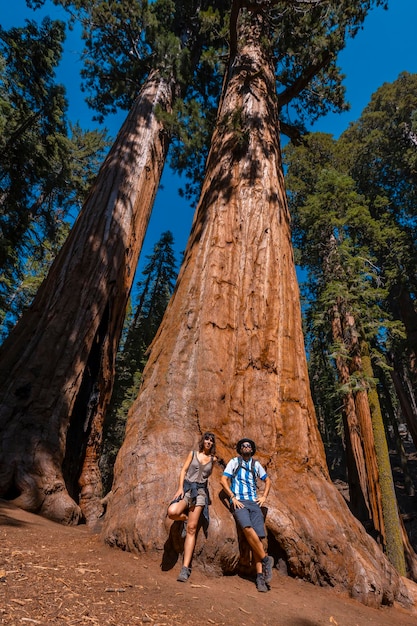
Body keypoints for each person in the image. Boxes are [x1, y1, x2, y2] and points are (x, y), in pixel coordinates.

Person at [220, 437, 273, 592]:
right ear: (240, 448)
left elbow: (267, 480)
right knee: (247, 528)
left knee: (259, 538)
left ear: (252, 449)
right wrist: (232, 497)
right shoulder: (234, 462)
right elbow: (223, 480)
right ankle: (265, 560)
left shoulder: (256, 464)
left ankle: (260, 577)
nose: (246, 447)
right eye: (243, 445)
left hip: (254, 503)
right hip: (240, 502)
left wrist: (264, 496)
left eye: (248, 445)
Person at [167, 432, 217, 582]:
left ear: (213, 444)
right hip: (187, 489)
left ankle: (185, 568)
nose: (209, 442)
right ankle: (184, 519)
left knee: (192, 529)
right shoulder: (193, 454)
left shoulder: (213, 460)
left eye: (211, 441)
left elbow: (207, 478)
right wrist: (180, 488)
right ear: (203, 441)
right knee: (172, 512)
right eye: (207, 439)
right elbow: (183, 470)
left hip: (200, 493)